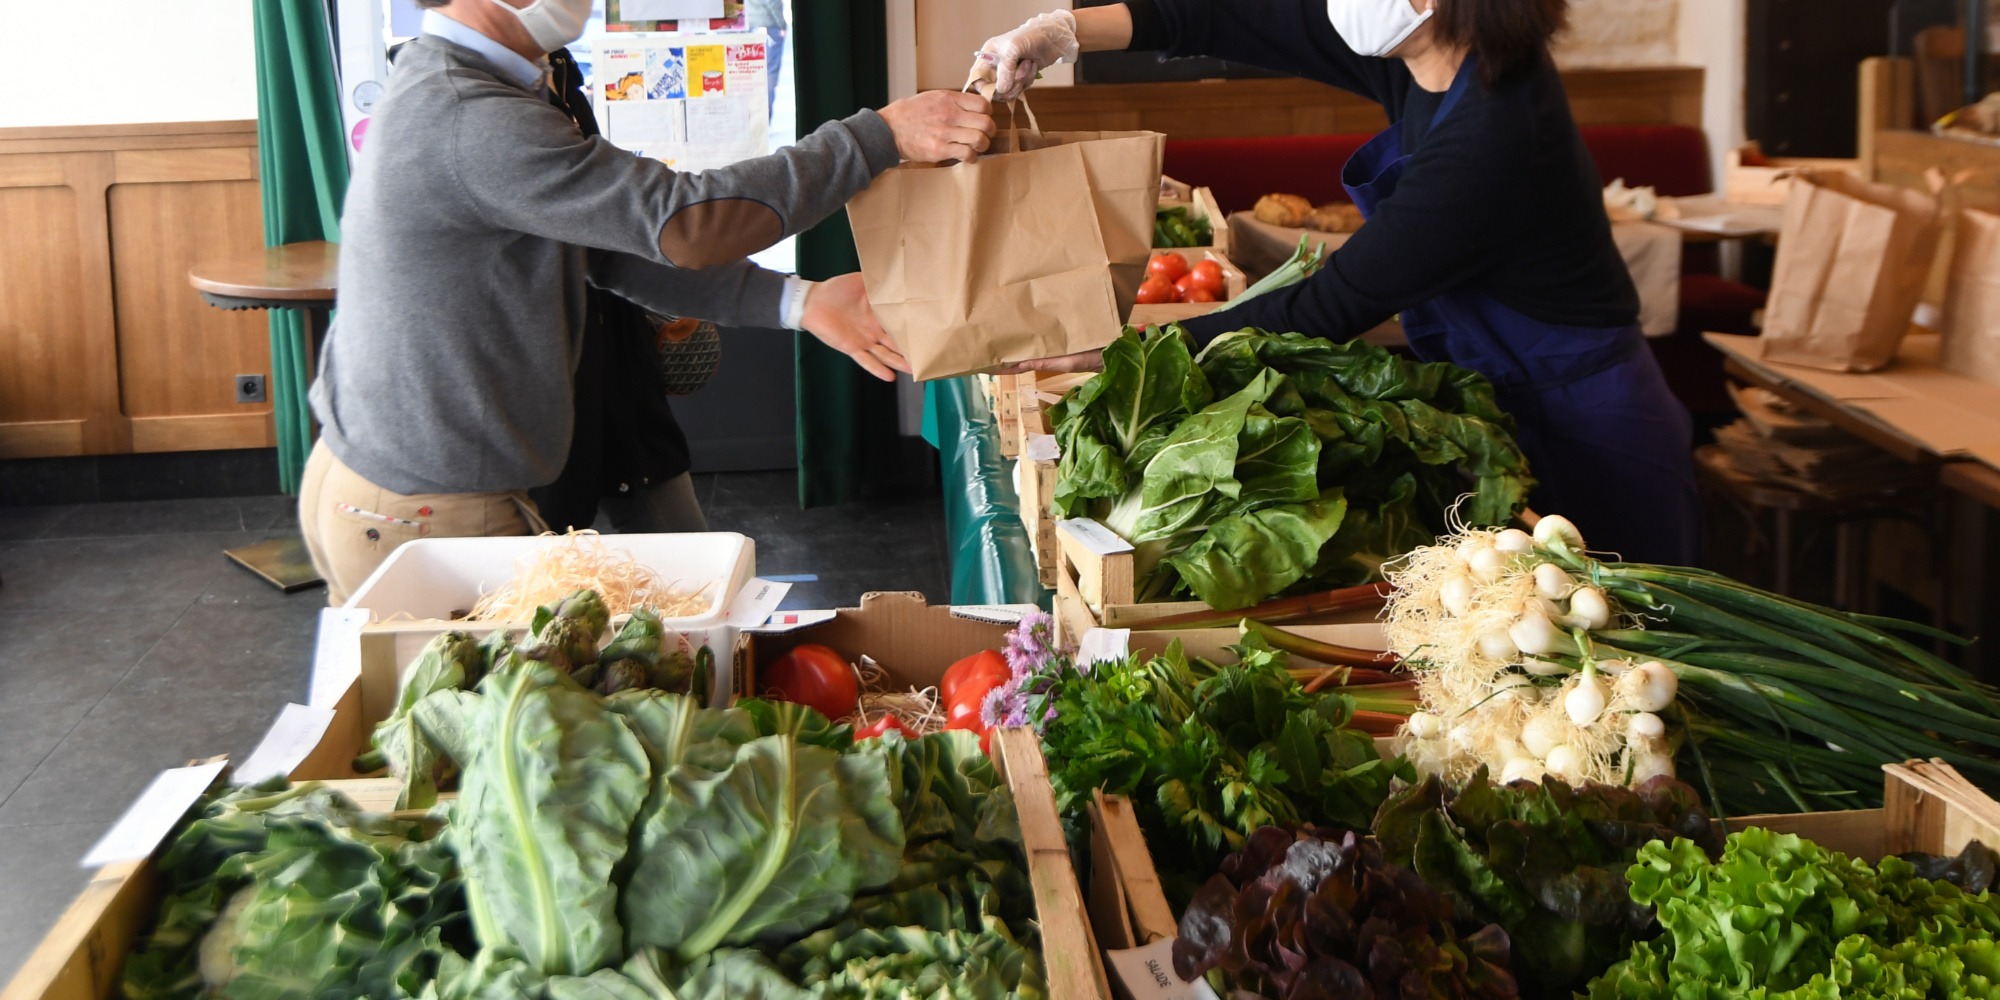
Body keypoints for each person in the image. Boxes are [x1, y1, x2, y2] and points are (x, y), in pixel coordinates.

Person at [300, 0, 994, 604]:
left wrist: (797, 301)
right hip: (424, 508)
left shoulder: (483, 83)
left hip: (382, 483)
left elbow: (604, 248)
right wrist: (876, 137)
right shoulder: (470, 117)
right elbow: (686, 220)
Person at [979, 0, 1701, 566]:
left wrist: (1132, 351)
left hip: (1593, 430)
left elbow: (1328, 304)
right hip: (1504, 399)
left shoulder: (1493, 135)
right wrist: (1062, 32)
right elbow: (1215, 13)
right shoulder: (1429, 56)